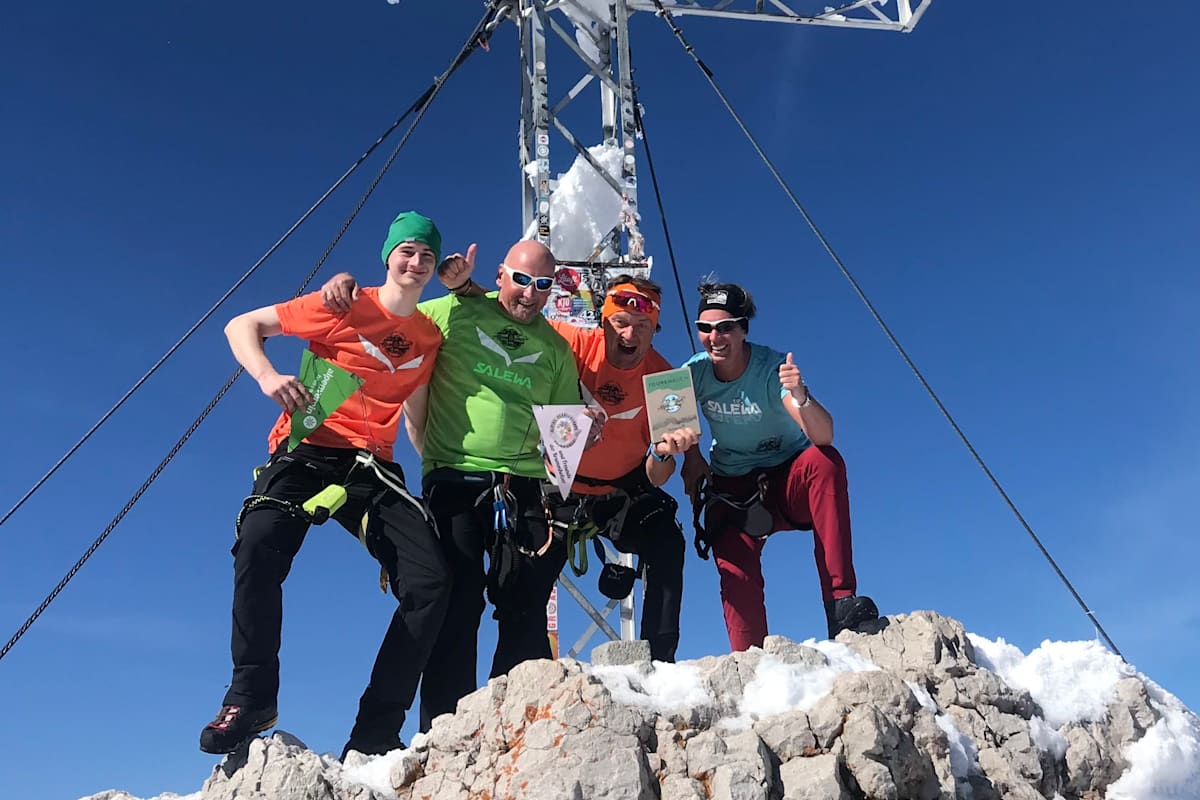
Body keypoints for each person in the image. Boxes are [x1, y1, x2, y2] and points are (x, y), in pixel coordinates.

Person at [199, 211, 450, 760]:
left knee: (430, 583)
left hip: (372, 466)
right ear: (388, 257)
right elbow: (241, 325)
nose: (416, 262)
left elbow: (416, 410)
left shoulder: (429, 337)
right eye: (406, 251)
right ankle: (251, 697)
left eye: (427, 255)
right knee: (259, 540)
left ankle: (376, 730)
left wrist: (430, 467)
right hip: (308, 449)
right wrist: (268, 376)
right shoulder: (343, 304)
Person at [322, 239, 583, 731]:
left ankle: (515, 723)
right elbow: (390, 319)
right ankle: (447, 728)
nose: (530, 293)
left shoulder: (555, 348)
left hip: (523, 485)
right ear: (501, 275)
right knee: (458, 601)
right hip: (453, 476)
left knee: (526, 601)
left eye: (543, 284)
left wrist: (582, 436)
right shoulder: (451, 311)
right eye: (521, 280)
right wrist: (345, 290)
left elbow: (562, 429)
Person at [445, 266, 697, 663]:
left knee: (667, 541)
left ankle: (660, 664)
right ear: (603, 321)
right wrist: (464, 286)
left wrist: (664, 453)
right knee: (520, 591)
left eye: (642, 326)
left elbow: (658, 476)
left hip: (622, 492)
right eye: (620, 322)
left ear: (655, 329)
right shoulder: (570, 343)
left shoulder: (668, 382)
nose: (629, 335)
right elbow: (516, 311)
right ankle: (518, 678)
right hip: (555, 491)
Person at [679, 280, 879, 651]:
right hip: (734, 488)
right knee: (735, 574)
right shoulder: (692, 373)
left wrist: (801, 395)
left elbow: (824, 435)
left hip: (788, 479)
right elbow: (674, 422)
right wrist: (692, 457)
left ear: (744, 329)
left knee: (826, 462)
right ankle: (750, 660)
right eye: (705, 328)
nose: (714, 338)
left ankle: (842, 605)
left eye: (725, 327)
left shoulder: (771, 368)